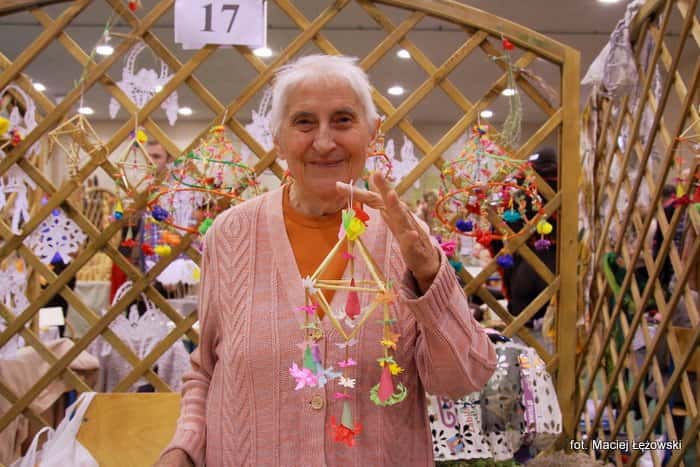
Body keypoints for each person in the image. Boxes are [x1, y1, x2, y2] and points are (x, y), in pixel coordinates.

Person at [157, 55, 496, 467]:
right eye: (304, 122)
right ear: (278, 139)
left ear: (372, 133)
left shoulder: (404, 238)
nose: (323, 142)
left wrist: (429, 275)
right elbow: (207, 370)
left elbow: (463, 379)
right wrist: (184, 449)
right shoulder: (231, 234)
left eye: (342, 120)